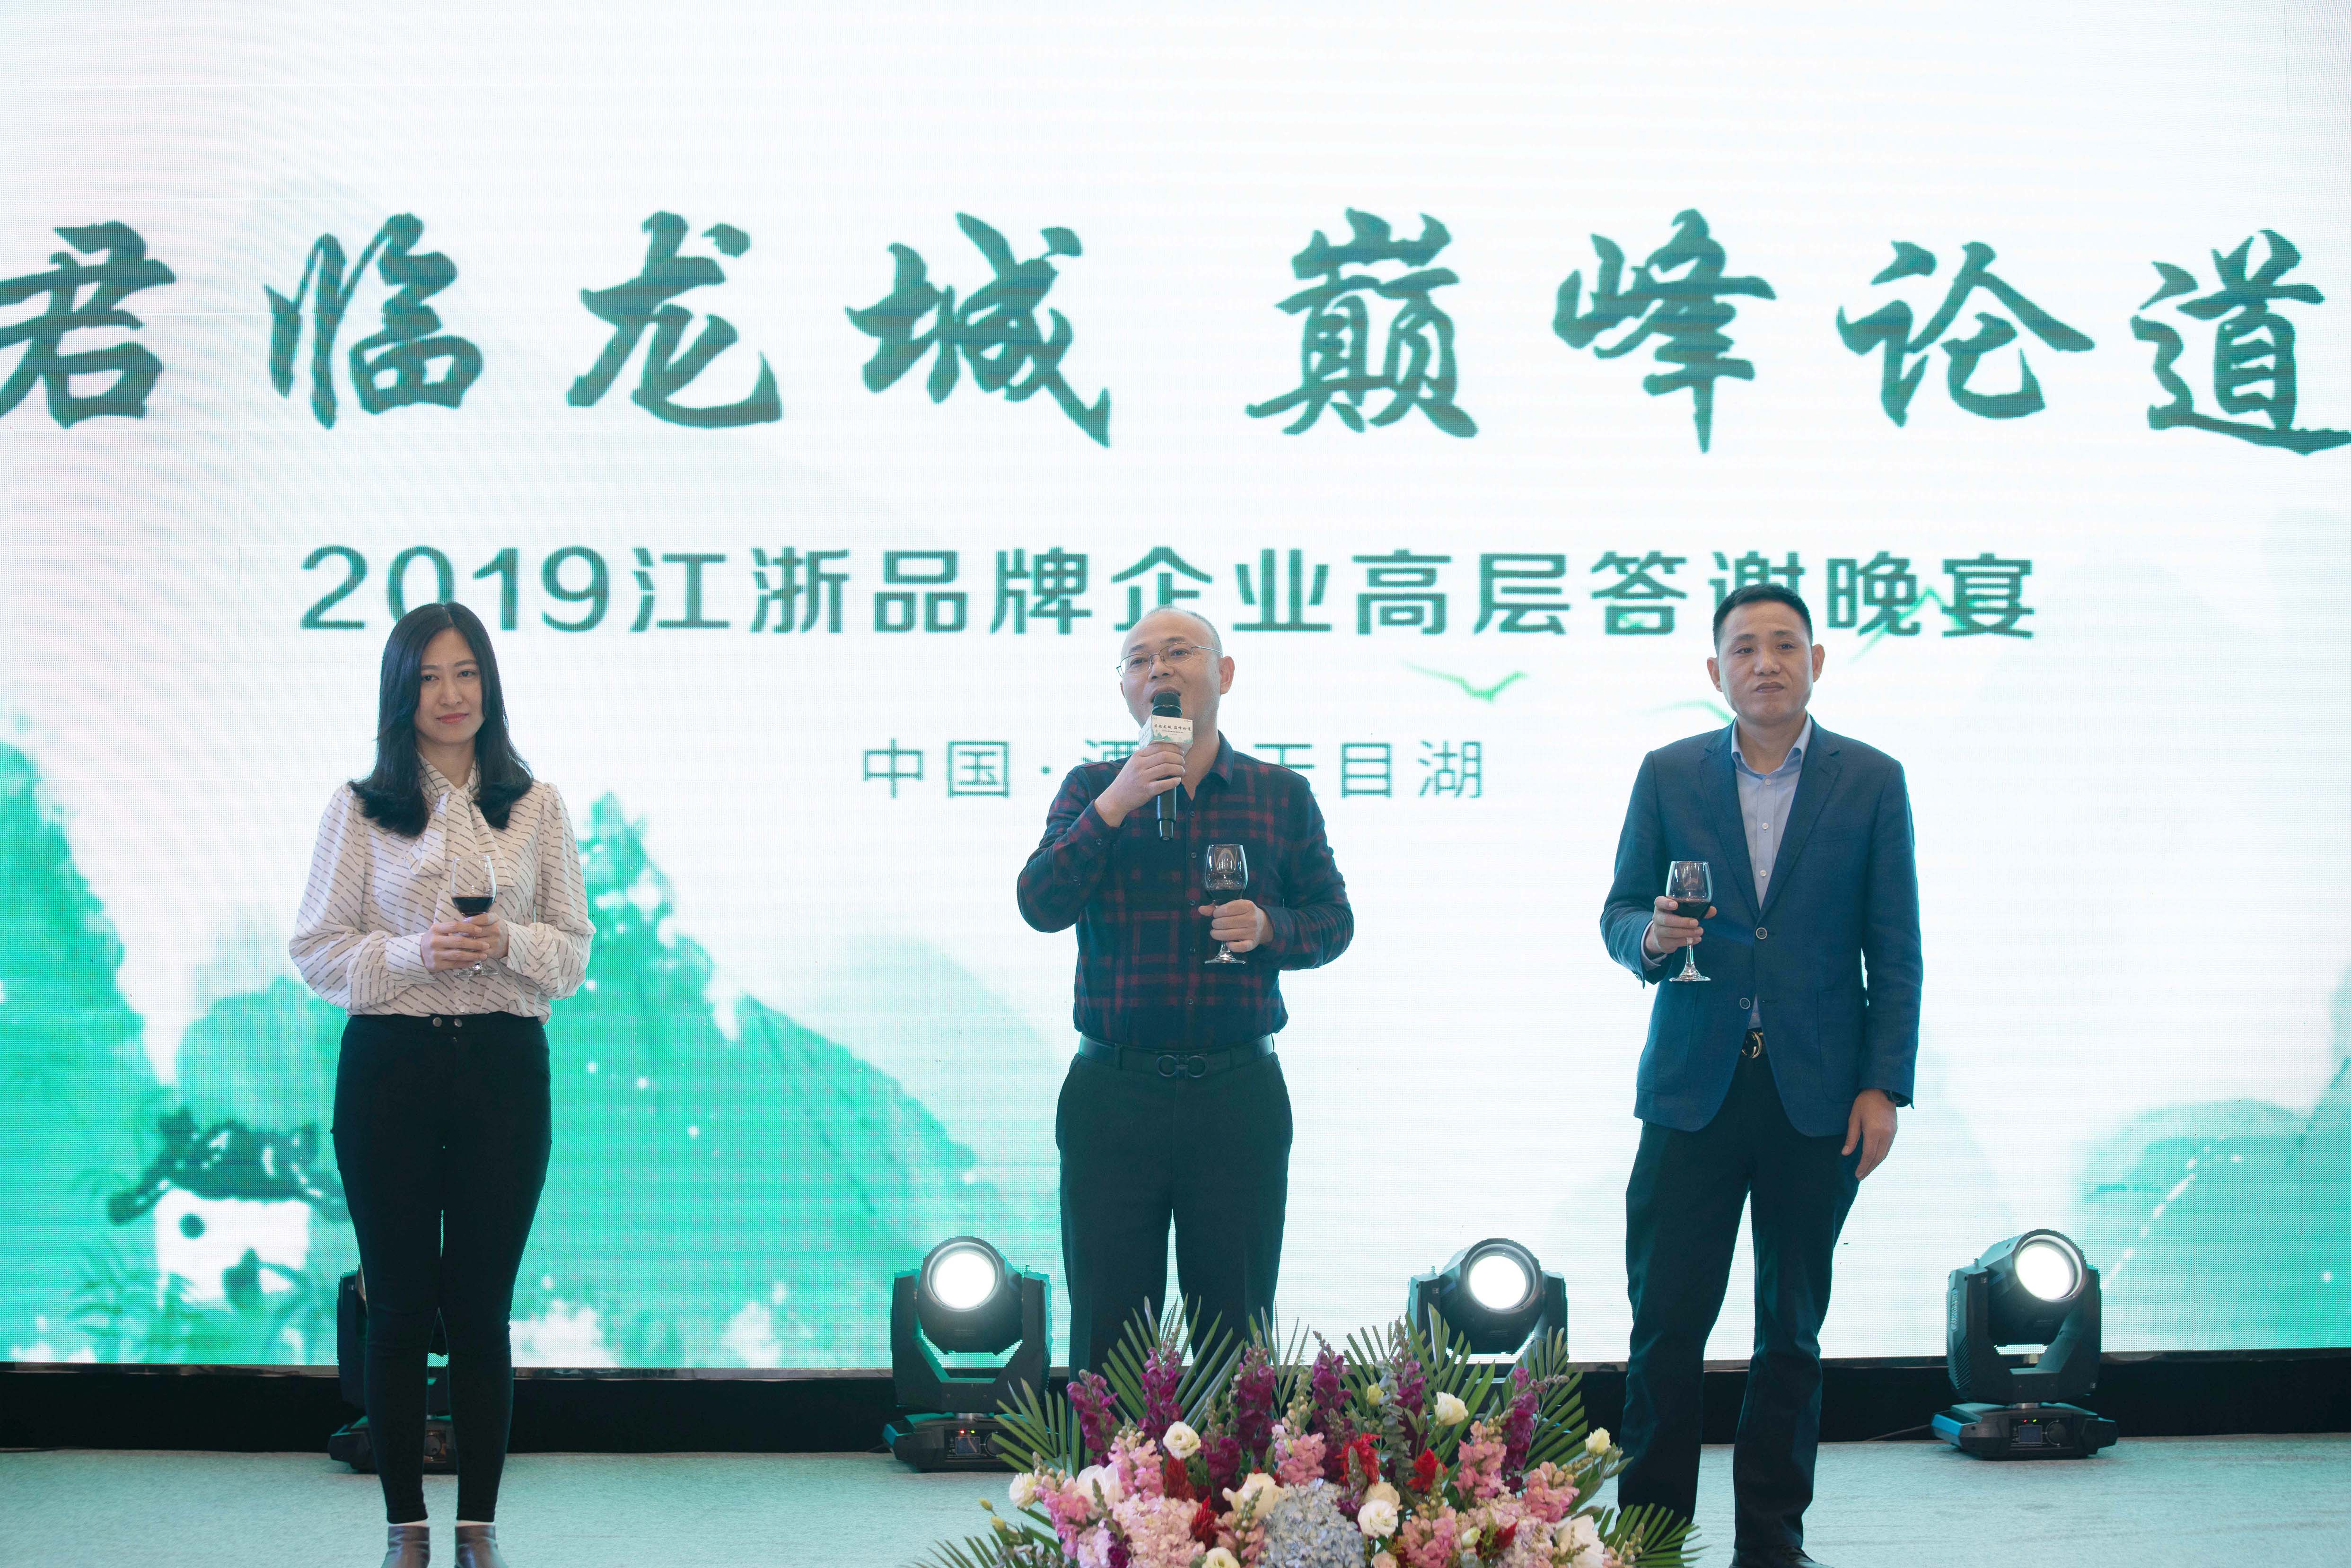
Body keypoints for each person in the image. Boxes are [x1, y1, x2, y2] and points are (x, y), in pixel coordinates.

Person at [1598, 583, 1921, 1568]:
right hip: (1691, 1093)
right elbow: (1619, 913)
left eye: (1785, 645)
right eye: (1744, 648)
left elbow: (1894, 949)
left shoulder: (1871, 779)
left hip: (1816, 1096)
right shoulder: (1668, 773)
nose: (1765, 663)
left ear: (1815, 662)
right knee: (1665, 1330)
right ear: (1715, 670)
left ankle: (1772, 1540)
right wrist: (1651, 939)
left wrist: (1883, 1085)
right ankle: (1651, 1540)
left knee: (1791, 1331)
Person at [291, 602, 593, 1568]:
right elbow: (317, 951)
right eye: (428, 677)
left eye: (466, 673)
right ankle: (404, 1530)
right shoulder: (358, 806)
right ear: (400, 691)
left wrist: (509, 941)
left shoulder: (537, 805)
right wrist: (415, 953)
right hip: (390, 1067)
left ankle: (479, 1530)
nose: (450, 695)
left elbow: (573, 954)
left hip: (504, 1067)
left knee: (480, 1311)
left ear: (489, 685)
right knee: (398, 1304)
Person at [1017, 607, 1351, 1373]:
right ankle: (1105, 1461)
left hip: (1236, 1095)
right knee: (1107, 1336)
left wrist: (1268, 928)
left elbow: (1333, 921)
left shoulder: (1279, 794)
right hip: (1113, 1094)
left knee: (1236, 1338)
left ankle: (1234, 1460)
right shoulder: (1091, 788)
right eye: (1138, 661)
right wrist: (1115, 805)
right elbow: (1040, 904)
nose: (1157, 671)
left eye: (1177, 653)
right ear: (1125, 691)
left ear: (1223, 674)